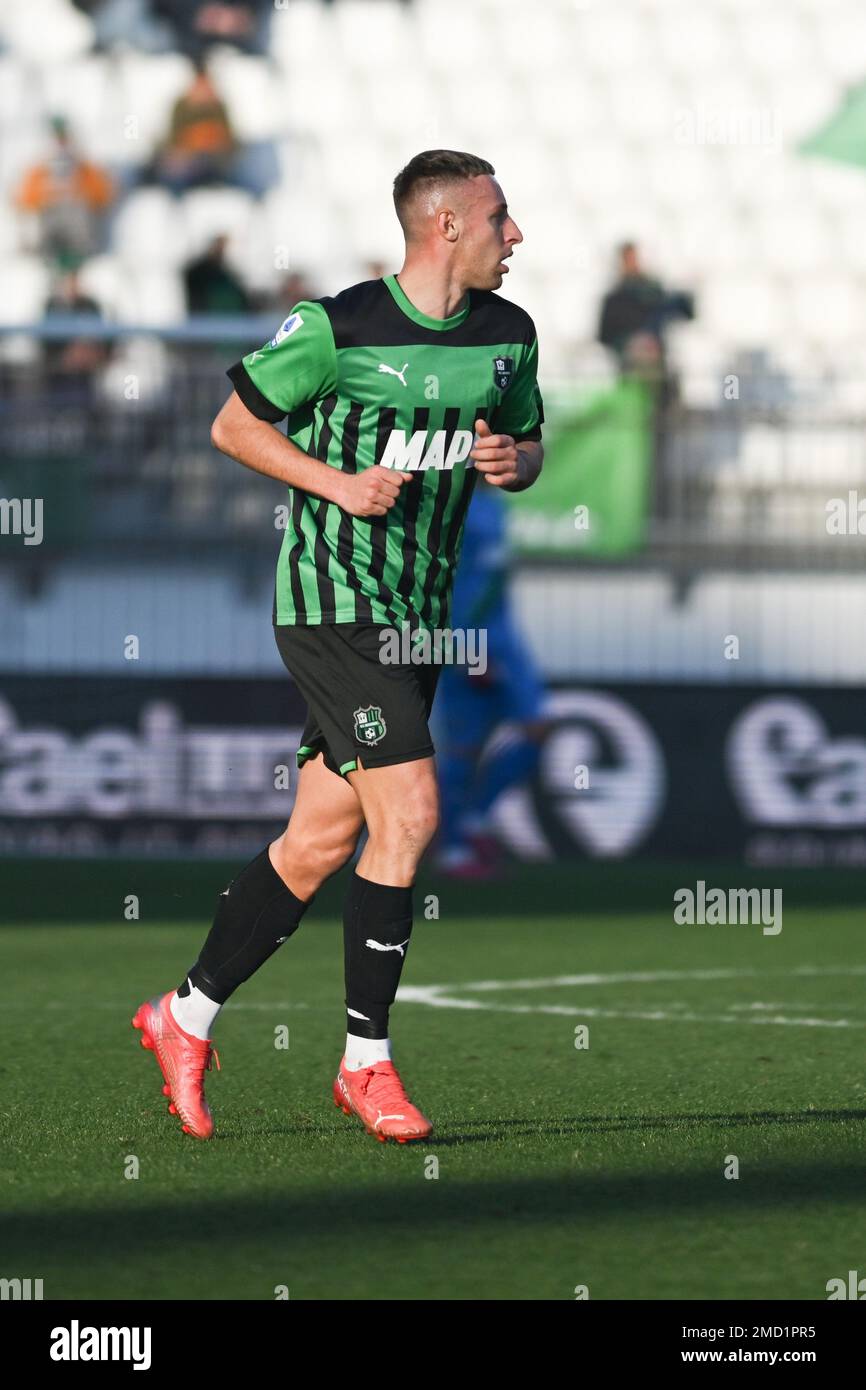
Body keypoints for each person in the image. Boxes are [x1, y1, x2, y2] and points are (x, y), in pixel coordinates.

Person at [132, 149, 545, 1143]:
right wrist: (334, 482)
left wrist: (510, 460)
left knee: (318, 840)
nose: (515, 235)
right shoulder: (335, 327)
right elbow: (234, 427)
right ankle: (366, 1064)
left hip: (417, 618)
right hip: (330, 606)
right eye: (499, 218)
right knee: (407, 814)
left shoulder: (506, 336)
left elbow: (528, 450)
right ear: (445, 226)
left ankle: (180, 1016)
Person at [435, 485, 550, 879]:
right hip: (463, 640)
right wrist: (463, 649)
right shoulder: (446, 508)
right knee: (462, 752)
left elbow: (494, 578)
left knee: (537, 730)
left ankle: (475, 818)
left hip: (504, 640)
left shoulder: (496, 506)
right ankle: (452, 851)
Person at [15, 116, 114, 268]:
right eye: (56, 139)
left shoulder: (86, 169)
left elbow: (104, 196)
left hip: (81, 239)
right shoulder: (38, 172)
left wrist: (78, 187)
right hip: (50, 237)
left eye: (64, 139)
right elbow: (25, 201)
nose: (60, 146)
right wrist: (48, 192)